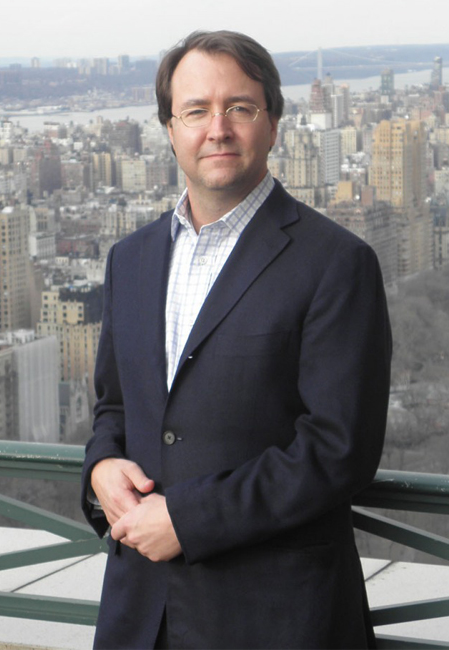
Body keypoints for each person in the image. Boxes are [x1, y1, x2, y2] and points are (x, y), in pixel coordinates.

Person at [81, 30, 392, 650]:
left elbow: (339, 449)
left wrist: (188, 521)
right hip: (138, 615)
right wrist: (100, 469)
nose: (216, 128)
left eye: (239, 108)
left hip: (277, 621)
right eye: (195, 110)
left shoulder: (336, 262)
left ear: (273, 123)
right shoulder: (130, 259)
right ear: (169, 130)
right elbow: (115, 407)